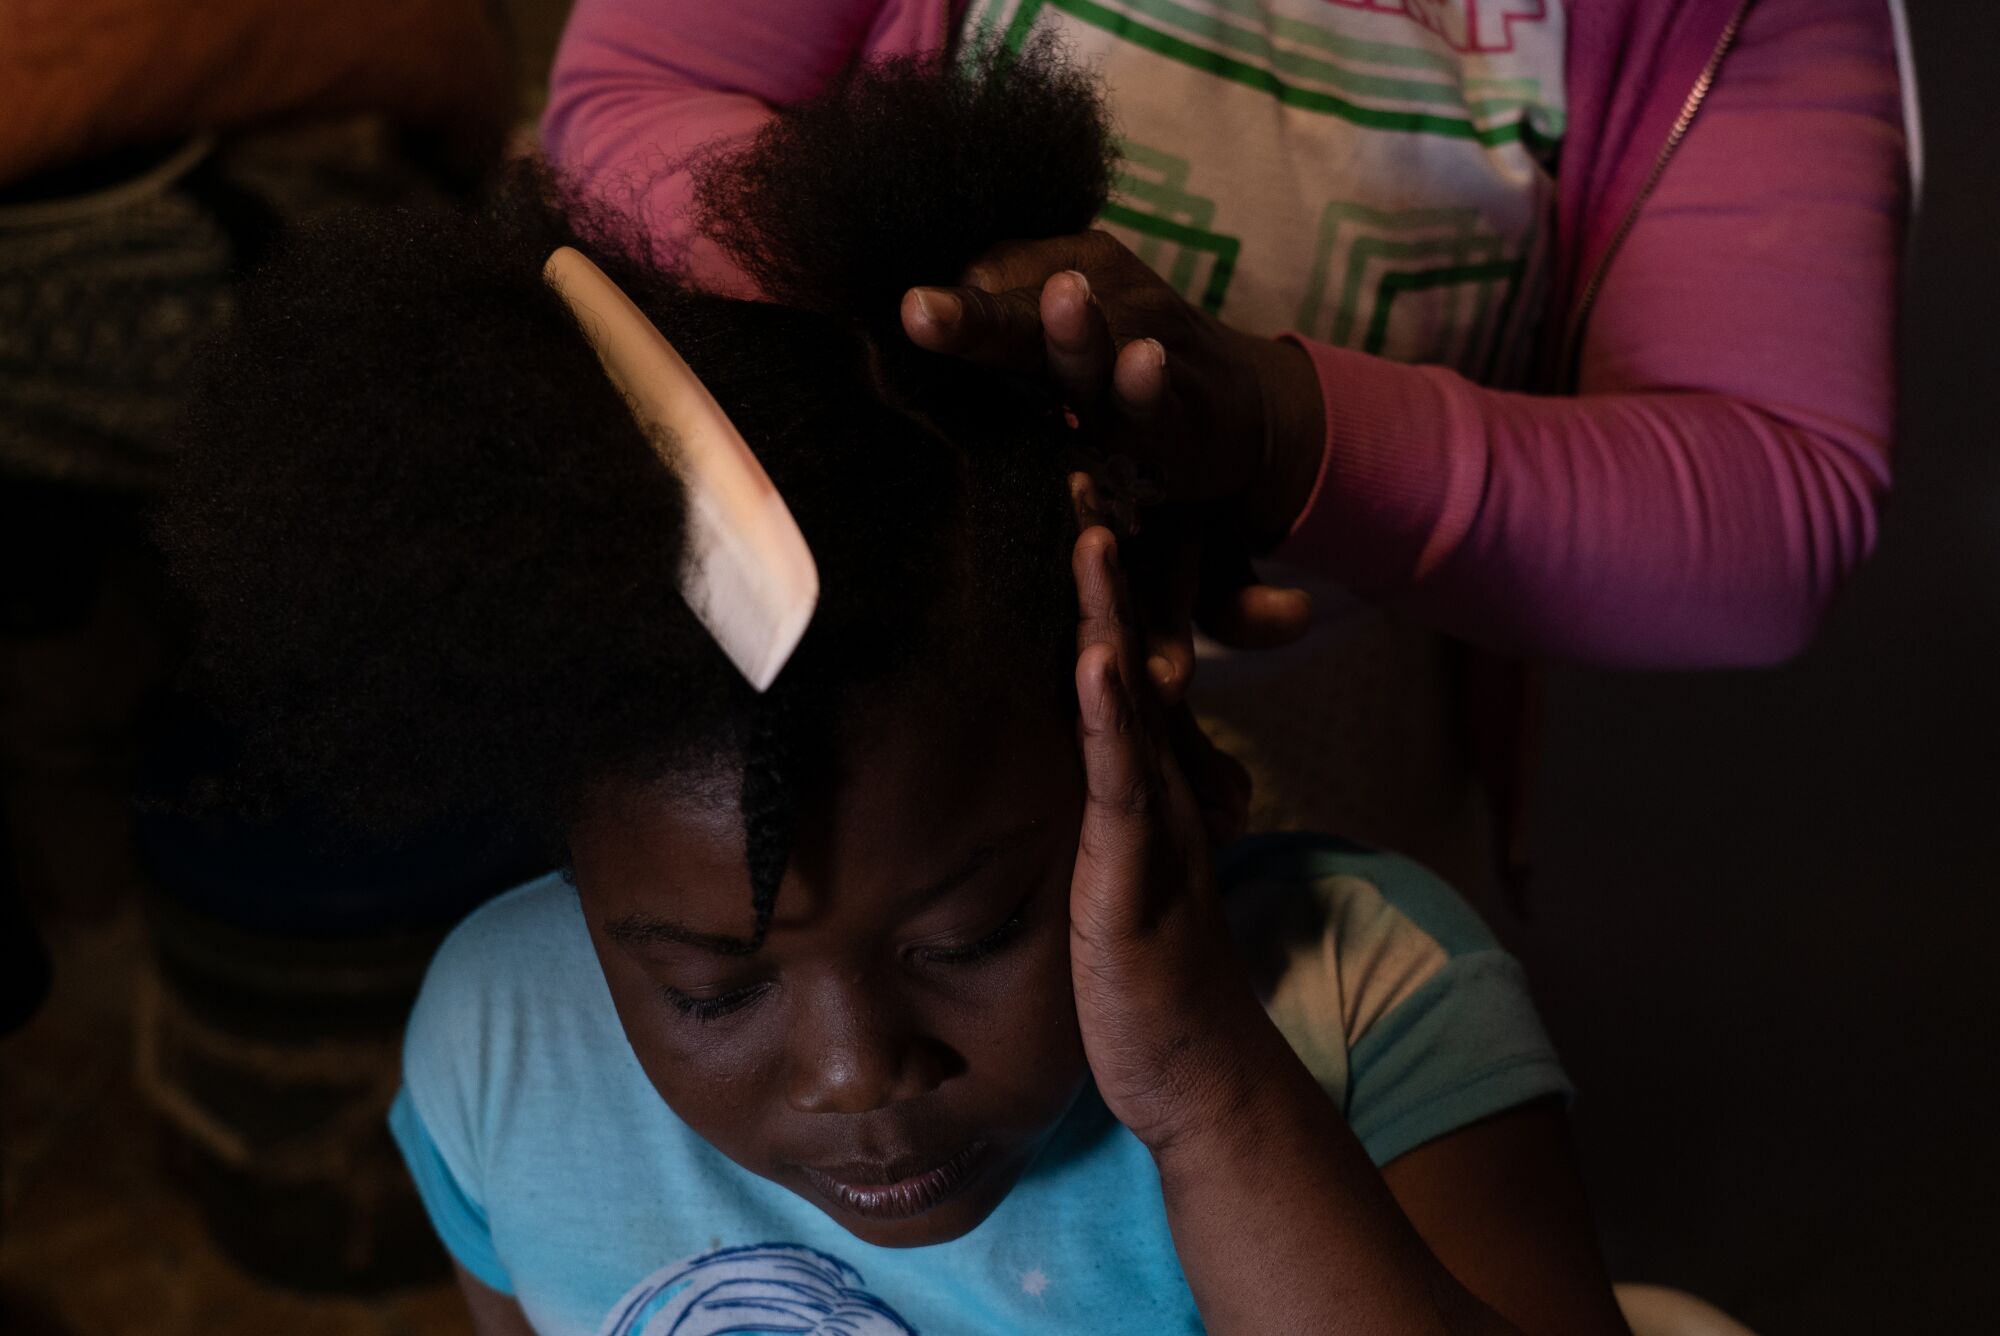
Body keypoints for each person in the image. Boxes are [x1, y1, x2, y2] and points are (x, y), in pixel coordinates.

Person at [161, 51, 1630, 1334]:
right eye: (710, 988)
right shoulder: (503, 1055)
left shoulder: (1367, 1009)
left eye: (973, 933)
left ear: (1148, 741)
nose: (863, 1072)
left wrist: (1203, 1088)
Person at [540, 0, 1915, 889]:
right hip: (868, 734)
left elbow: (1770, 505)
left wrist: (1269, 429)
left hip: (1316, 807)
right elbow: (632, 107)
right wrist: (958, 346)